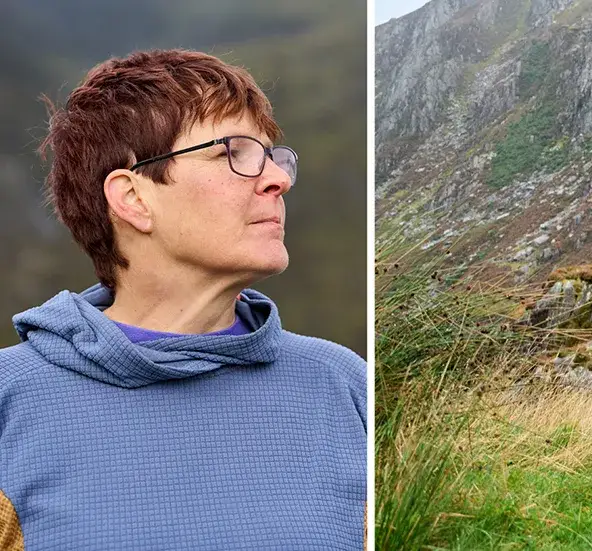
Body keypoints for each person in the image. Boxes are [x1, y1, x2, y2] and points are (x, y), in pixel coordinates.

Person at [0, 50, 366, 549]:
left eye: (272, 157)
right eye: (232, 153)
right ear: (132, 198)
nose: (278, 180)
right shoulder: (11, 401)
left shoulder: (346, 388)